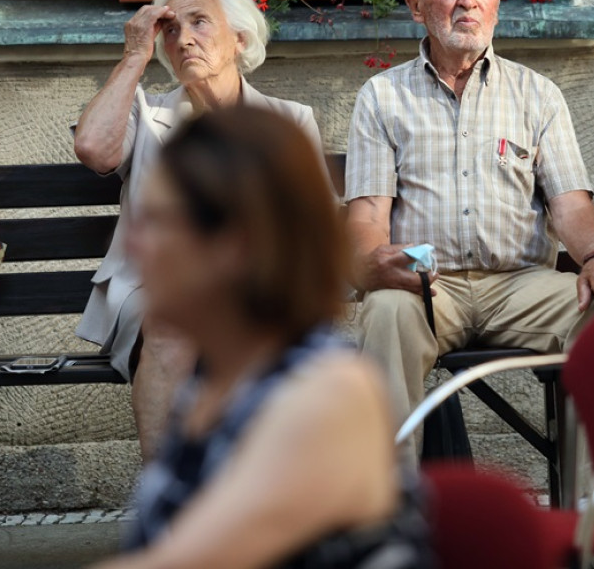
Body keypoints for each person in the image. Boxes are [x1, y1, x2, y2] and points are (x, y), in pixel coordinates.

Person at [89, 106, 429, 569]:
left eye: (157, 221)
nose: (132, 244)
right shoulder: (213, 384)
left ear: (236, 246)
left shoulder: (328, 391)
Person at [345, 0, 594, 461]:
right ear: (416, 7)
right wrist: (373, 263)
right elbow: (368, 214)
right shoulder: (383, 97)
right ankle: (390, 522)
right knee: (385, 312)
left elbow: (569, 202)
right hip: (427, 289)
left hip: (520, 284)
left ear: (498, 2)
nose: (467, 0)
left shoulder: (537, 94)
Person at [73, 0, 324, 462]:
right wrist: (133, 56)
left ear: (239, 38)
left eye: (200, 23)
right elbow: (93, 150)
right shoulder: (146, 115)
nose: (184, 39)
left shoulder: (289, 122)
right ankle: (168, 501)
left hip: (259, 285)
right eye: (171, 30)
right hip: (157, 290)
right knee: (173, 324)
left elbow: (309, 233)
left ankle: (262, 502)